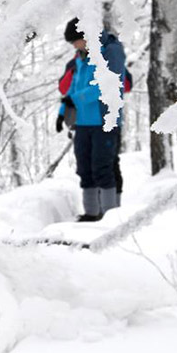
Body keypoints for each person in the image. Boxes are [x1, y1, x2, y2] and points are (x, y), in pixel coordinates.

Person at [58, 18, 126, 221]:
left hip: (104, 120)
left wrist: (75, 99)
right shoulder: (80, 57)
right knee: (85, 169)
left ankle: (110, 217)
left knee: (102, 168)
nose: (74, 46)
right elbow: (73, 88)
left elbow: (107, 83)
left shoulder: (111, 51)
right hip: (83, 123)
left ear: (86, 37)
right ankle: (91, 213)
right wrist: (63, 110)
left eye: (75, 41)